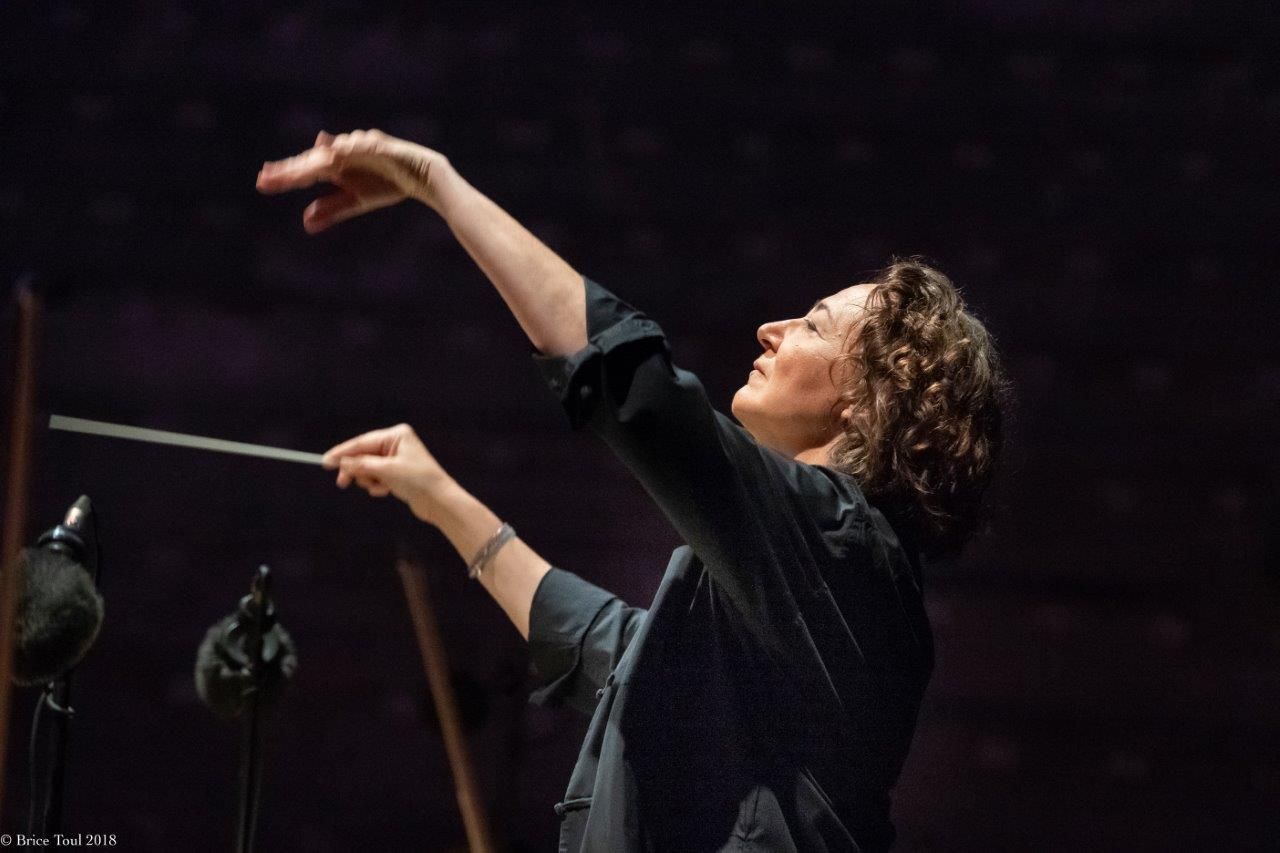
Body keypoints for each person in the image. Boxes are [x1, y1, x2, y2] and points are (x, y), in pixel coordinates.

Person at [257, 129, 1007, 852]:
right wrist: (441, 499)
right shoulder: (801, 569)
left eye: (811, 325)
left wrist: (435, 182)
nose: (770, 329)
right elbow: (607, 648)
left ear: (870, 401)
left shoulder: (846, 550)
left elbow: (639, 394)